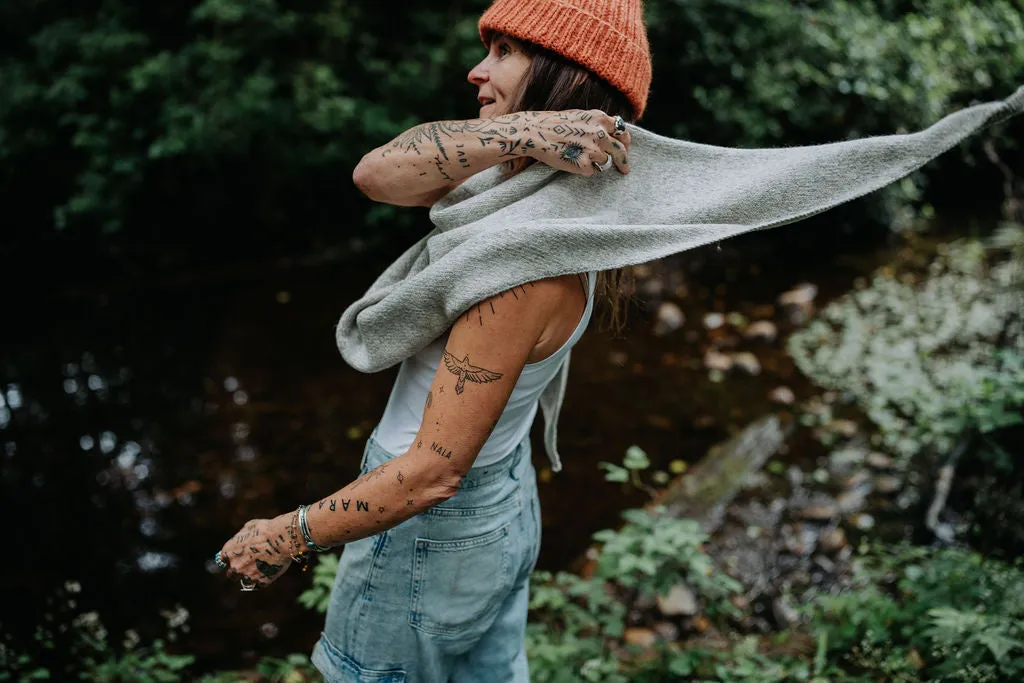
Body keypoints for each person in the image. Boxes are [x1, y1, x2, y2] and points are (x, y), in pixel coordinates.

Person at [214, 1, 653, 681]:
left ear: (567, 79)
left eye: (505, 50)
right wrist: (528, 129)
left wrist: (282, 535)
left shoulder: (519, 263)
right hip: (503, 500)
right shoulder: (558, 206)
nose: (478, 70)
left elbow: (430, 474)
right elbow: (376, 174)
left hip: (431, 539)